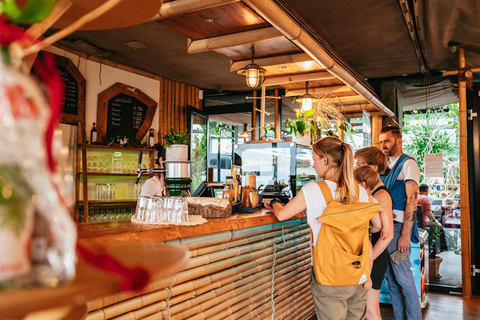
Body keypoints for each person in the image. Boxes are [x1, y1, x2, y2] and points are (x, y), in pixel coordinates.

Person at [263, 137, 382, 319]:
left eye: (315, 159)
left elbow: (282, 215)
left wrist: (274, 202)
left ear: (325, 160)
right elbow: (378, 225)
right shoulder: (361, 191)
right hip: (358, 275)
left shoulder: (313, 189)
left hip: (329, 277)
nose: (313, 165)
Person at [379, 125, 422, 320]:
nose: (383, 145)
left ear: (398, 141)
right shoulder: (387, 166)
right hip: (387, 230)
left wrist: (405, 235)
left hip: (398, 232)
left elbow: (412, 200)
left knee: (404, 280)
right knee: (392, 278)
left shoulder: (408, 164)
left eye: (386, 141)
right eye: (381, 142)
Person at [354, 162, 394, 320]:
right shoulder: (369, 197)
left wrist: (367, 261)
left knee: (370, 311)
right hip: (373, 256)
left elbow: (386, 231)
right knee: (369, 310)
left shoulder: (375, 196)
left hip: (374, 257)